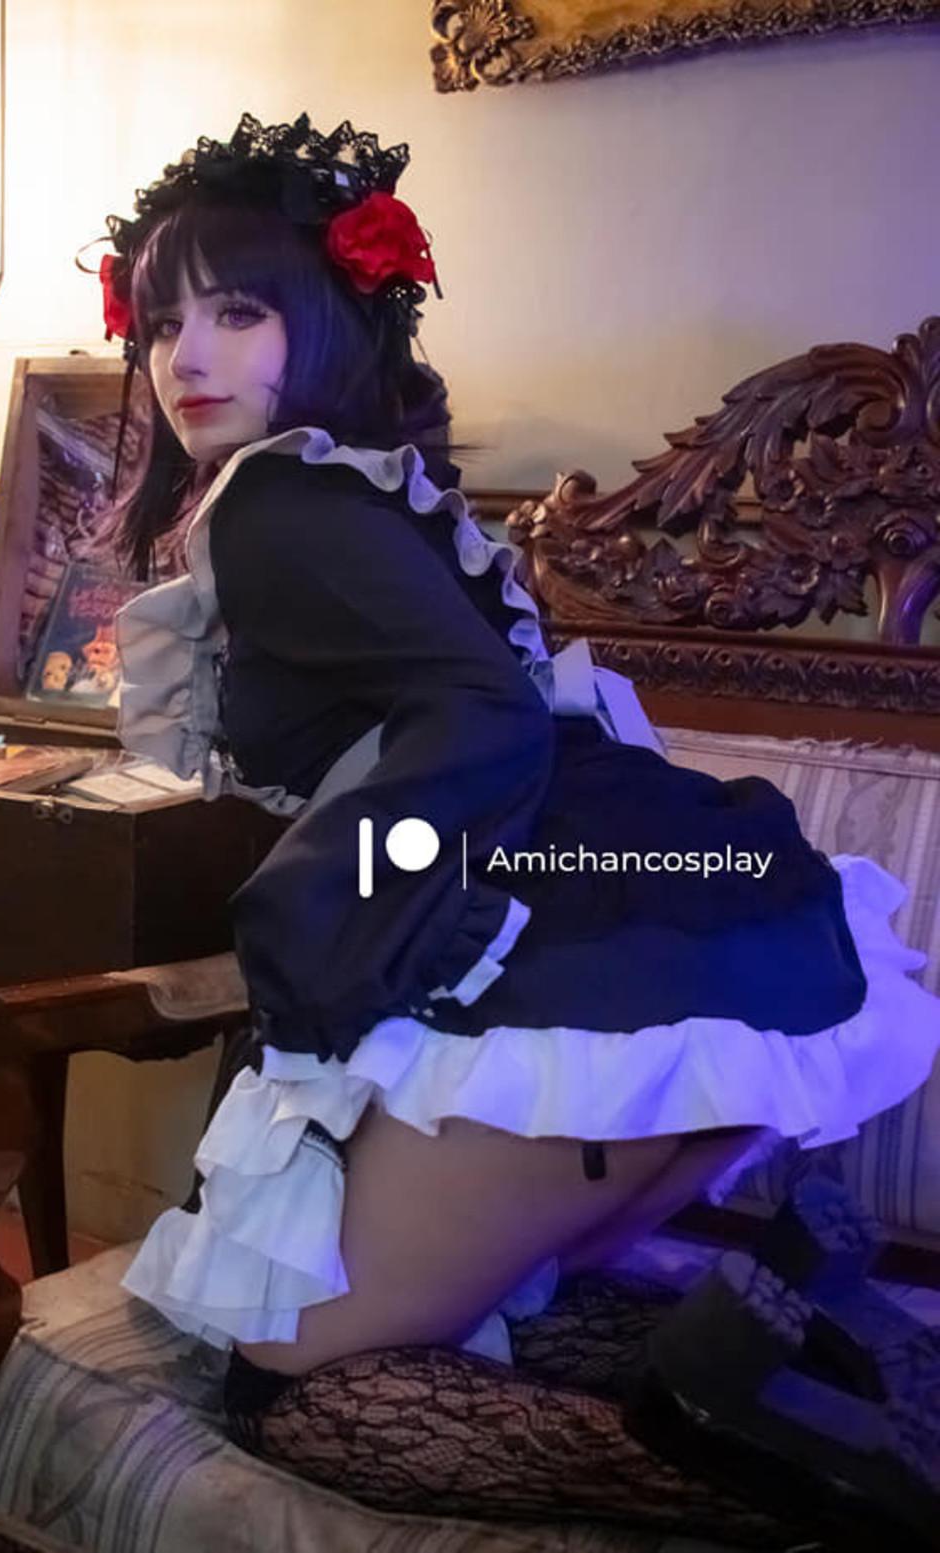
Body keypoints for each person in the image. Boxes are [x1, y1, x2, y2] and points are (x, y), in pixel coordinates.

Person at [81, 112, 940, 1548]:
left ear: (325, 321)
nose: (187, 358)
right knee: (478, 1315)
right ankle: (796, 1339)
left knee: (284, 1379)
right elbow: (510, 723)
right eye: (165, 323)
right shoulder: (365, 490)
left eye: (236, 312)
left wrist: (324, 913)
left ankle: (792, 1474)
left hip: (578, 952)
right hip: (688, 926)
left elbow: (479, 719)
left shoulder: (282, 499)